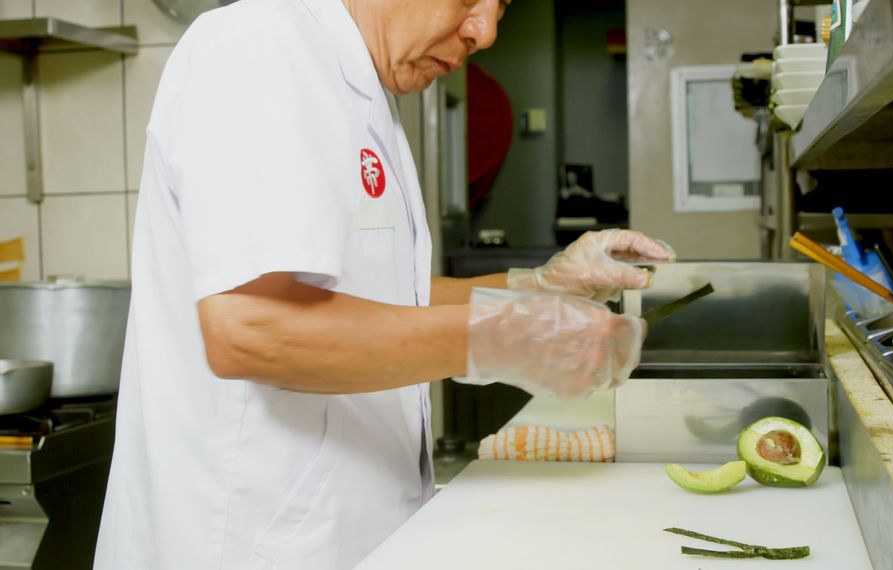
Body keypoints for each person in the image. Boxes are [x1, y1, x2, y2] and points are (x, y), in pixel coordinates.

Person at [93, 0, 674, 568]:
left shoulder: (363, 88)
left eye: (503, 5)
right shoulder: (259, 44)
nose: (487, 30)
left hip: (355, 536)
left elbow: (387, 297)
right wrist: (506, 336)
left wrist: (542, 288)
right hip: (246, 544)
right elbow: (249, 328)